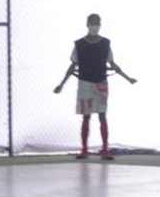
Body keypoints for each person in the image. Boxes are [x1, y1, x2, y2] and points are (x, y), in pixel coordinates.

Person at [54, 13, 136, 160]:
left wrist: (127, 78)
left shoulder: (106, 44)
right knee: (86, 116)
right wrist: (61, 84)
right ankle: (84, 149)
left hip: (101, 83)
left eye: (97, 23)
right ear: (87, 24)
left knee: (102, 116)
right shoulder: (79, 45)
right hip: (85, 82)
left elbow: (112, 63)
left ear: (100, 25)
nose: (94, 26)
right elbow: (73, 65)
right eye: (92, 23)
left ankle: (105, 149)